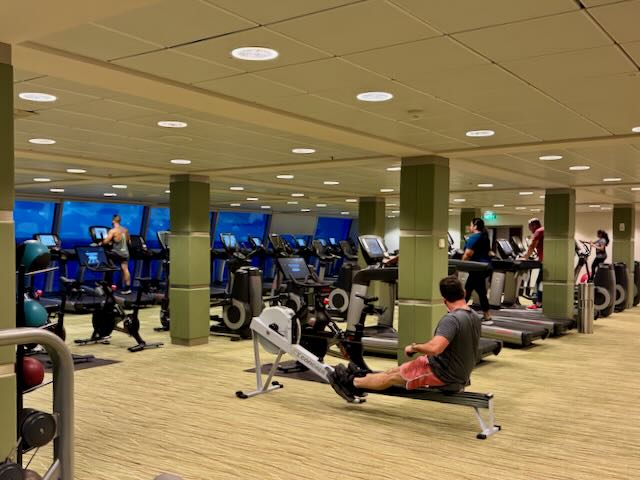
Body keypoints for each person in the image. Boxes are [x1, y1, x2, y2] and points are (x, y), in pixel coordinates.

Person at [328, 276, 482, 400]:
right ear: (463, 292)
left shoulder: (452, 320)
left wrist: (414, 347)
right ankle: (363, 377)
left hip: (445, 374)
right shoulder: (474, 315)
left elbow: (435, 348)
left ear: (444, 300)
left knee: (393, 378)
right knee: (393, 371)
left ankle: (352, 383)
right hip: (448, 368)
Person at [462, 218, 492, 321]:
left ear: (475, 226)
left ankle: (458, 312)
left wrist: (461, 265)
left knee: (467, 290)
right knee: (480, 291)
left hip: (476, 268)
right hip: (483, 268)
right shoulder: (485, 237)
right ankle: (487, 314)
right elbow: (489, 252)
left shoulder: (474, 237)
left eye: (471, 225)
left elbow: (468, 254)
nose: (470, 227)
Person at [99, 214, 131, 294]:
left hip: (116, 253)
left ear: (113, 221)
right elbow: (128, 241)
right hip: (125, 253)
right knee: (125, 268)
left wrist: (100, 243)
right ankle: (127, 288)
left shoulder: (113, 231)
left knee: (105, 256)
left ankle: (108, 283)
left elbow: (106, 241)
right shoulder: (125, 230)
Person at [522, 218, 544, 310]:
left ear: (534, 225)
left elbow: (532, 246)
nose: (529, 229)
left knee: (540, 282)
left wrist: (525, 258)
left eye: (530, 227)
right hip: (548, 260)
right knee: (542, 282)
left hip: (545, 261)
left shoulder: (538, 231)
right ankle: (541, 302)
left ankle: (539, 303)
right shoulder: (544, 230)